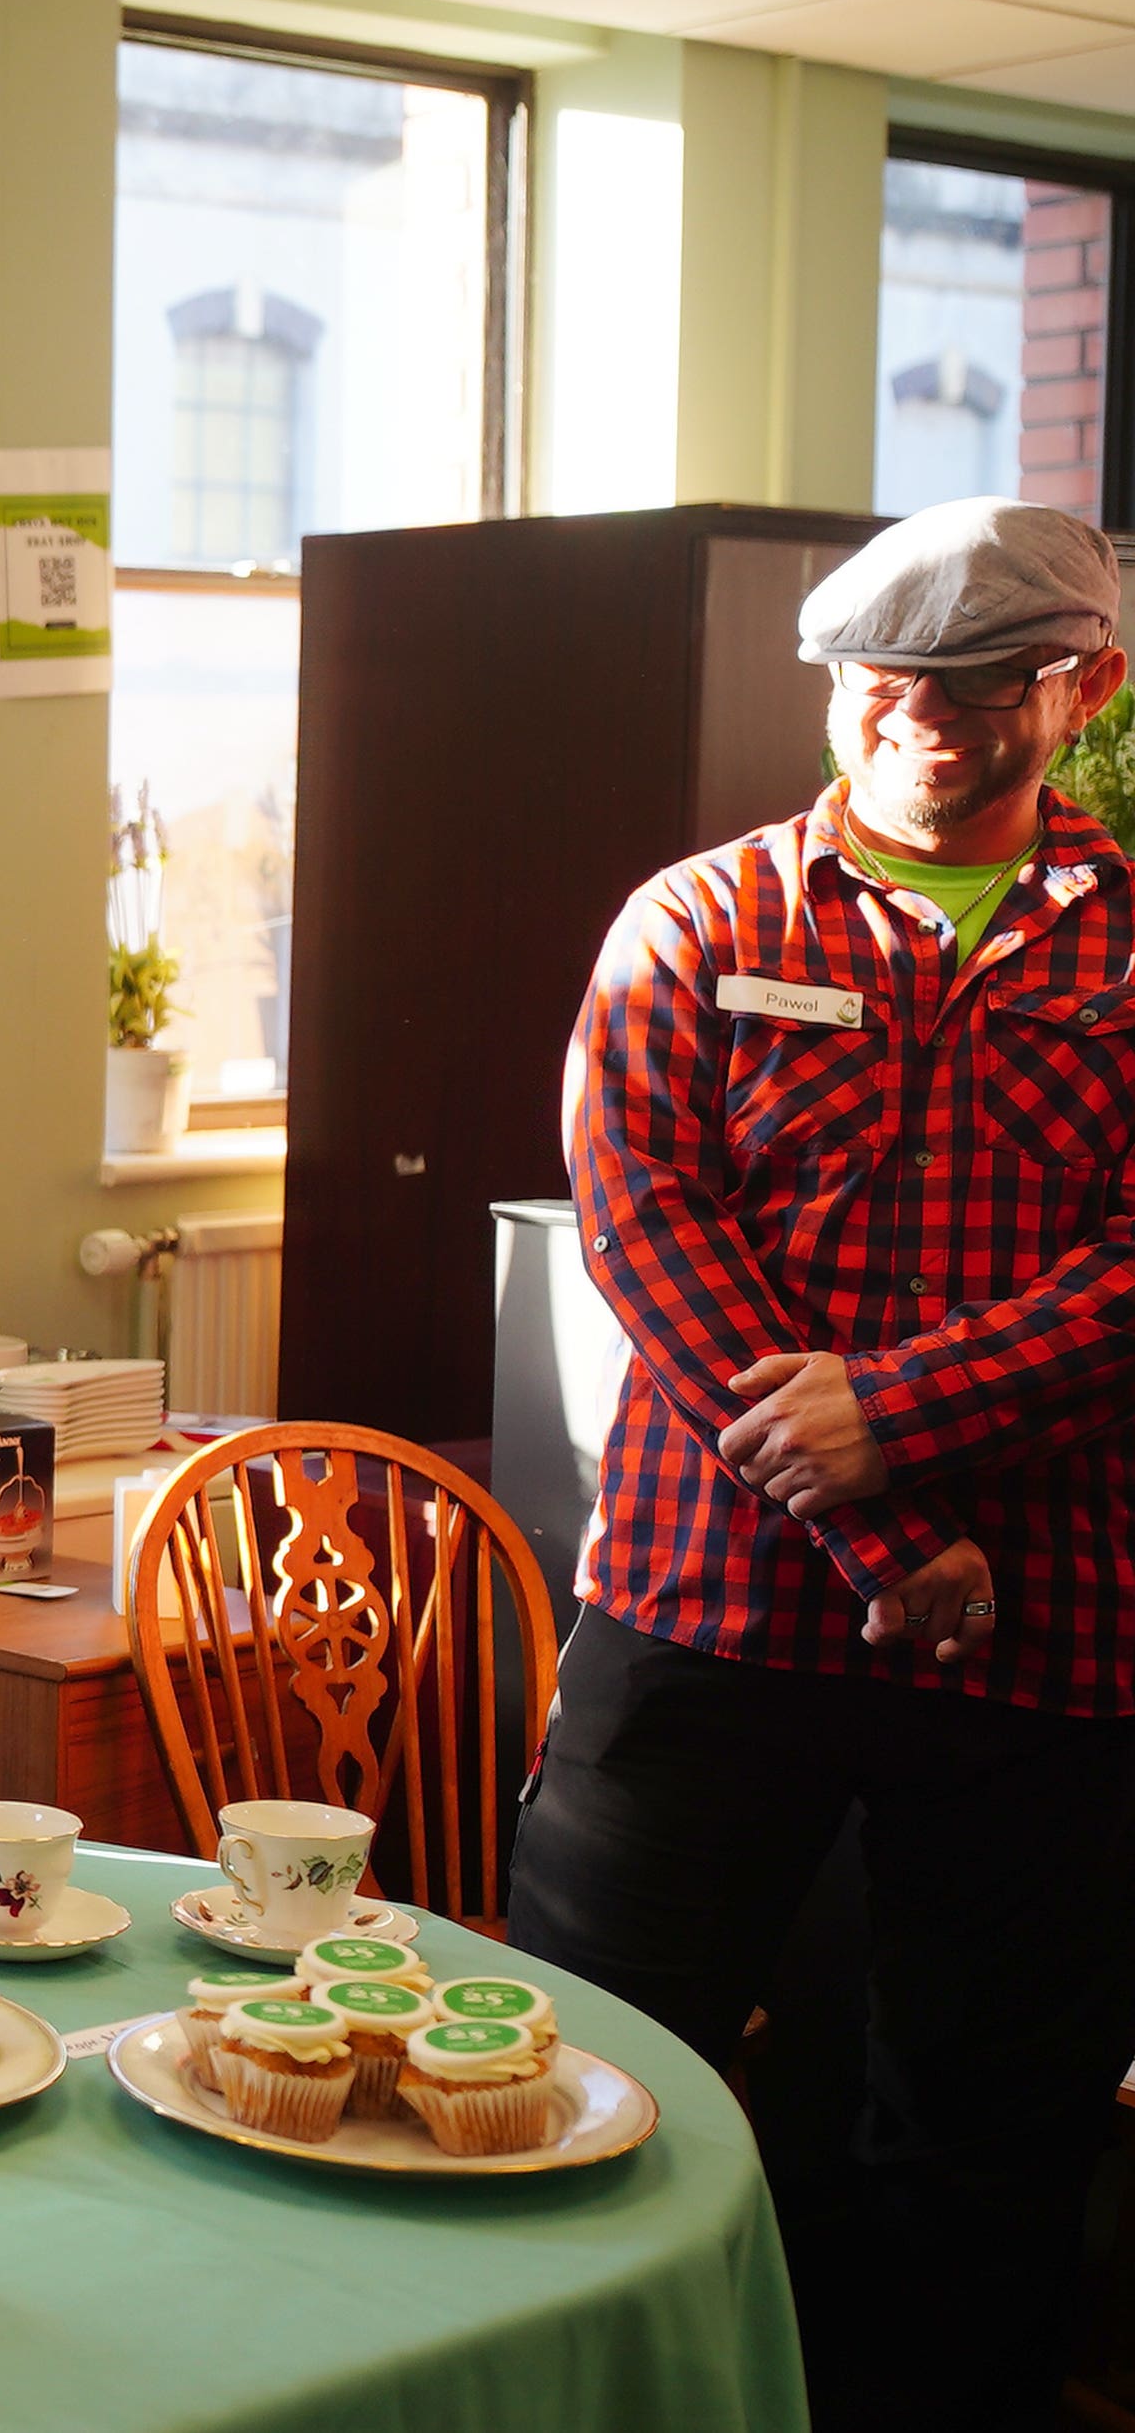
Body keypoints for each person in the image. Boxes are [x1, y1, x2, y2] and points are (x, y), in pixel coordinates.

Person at [514, 494, 1135, 2427]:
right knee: (570, 2089)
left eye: (975, 696)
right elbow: (648, 1231)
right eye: (883, 691)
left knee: (982, 2157)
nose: (920, 733)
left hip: (1050, 1653)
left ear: (1085, 688)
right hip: (705, 1622)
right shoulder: (696, 923)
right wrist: (884, 1525)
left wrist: (907, 1415)